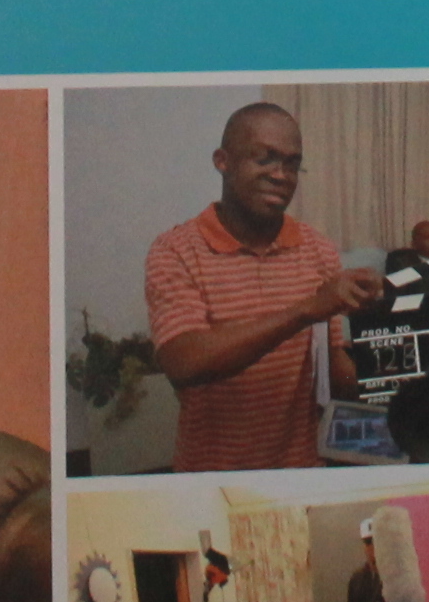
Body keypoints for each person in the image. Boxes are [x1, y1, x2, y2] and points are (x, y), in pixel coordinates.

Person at [141, 101, 380, 471]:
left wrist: (381, 338)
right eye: (264, 159)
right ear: (223, 161)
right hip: (212, 475)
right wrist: (304, 310)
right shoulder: (175, 250)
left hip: (304, 470)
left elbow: (334, 375)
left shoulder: (317, 249)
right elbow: (184, 362)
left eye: (292, 164)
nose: (281, 175)